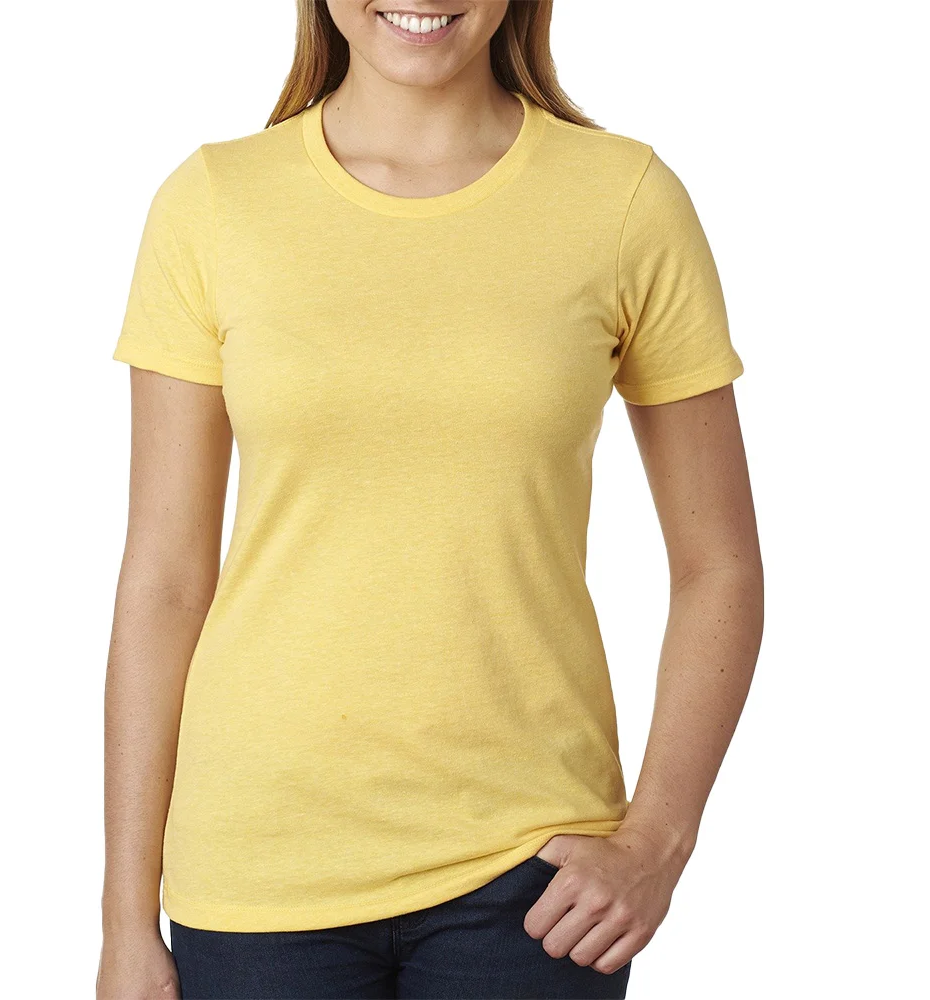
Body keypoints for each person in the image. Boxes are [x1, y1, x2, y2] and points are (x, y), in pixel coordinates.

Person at [96, 1, 764, 998]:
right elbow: (163, 580)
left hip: (532, 876)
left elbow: (719, 564)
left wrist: (658, 840)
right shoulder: (214, 202)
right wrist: (123, 919)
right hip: (257, 873)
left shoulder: (623, 200)